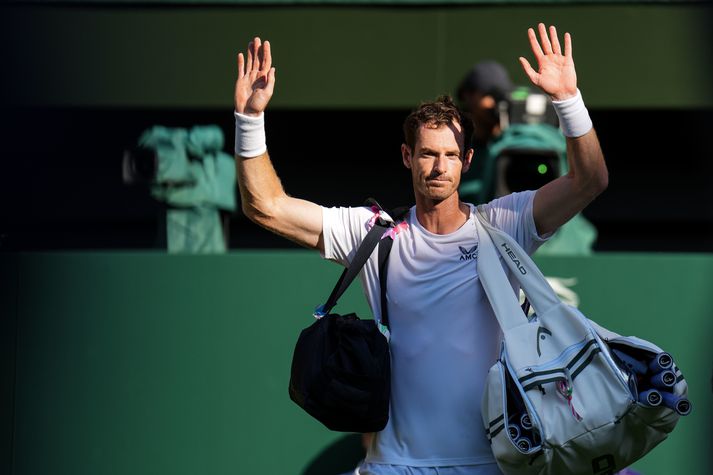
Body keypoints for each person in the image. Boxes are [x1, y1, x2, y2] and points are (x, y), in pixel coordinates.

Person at [233, 24, 607, 474]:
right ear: (408, 156)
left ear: (467, 161)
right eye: (428, 154)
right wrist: (249, 120)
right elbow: (266, 207)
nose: (439, 167)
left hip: (488, 465)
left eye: (451, 155)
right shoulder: (373, 233)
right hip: (393, 466)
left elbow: (590, 181)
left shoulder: (506, 222)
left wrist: (568, 100)